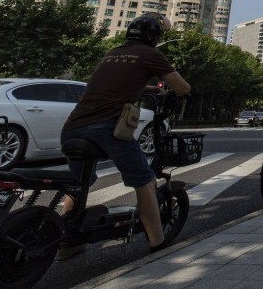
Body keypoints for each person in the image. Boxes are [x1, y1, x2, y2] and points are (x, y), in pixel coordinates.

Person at [58, 13, 190, 258]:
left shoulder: (110, 53)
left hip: (72, 128)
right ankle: (158, 244)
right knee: (145, 181)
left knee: (79, 183)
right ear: (155, 37)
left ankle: (67, 241)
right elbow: (183, 88)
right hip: (108, 128)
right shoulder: (152, 54)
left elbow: (113, 85)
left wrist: (146, 88)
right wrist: (165, 90)